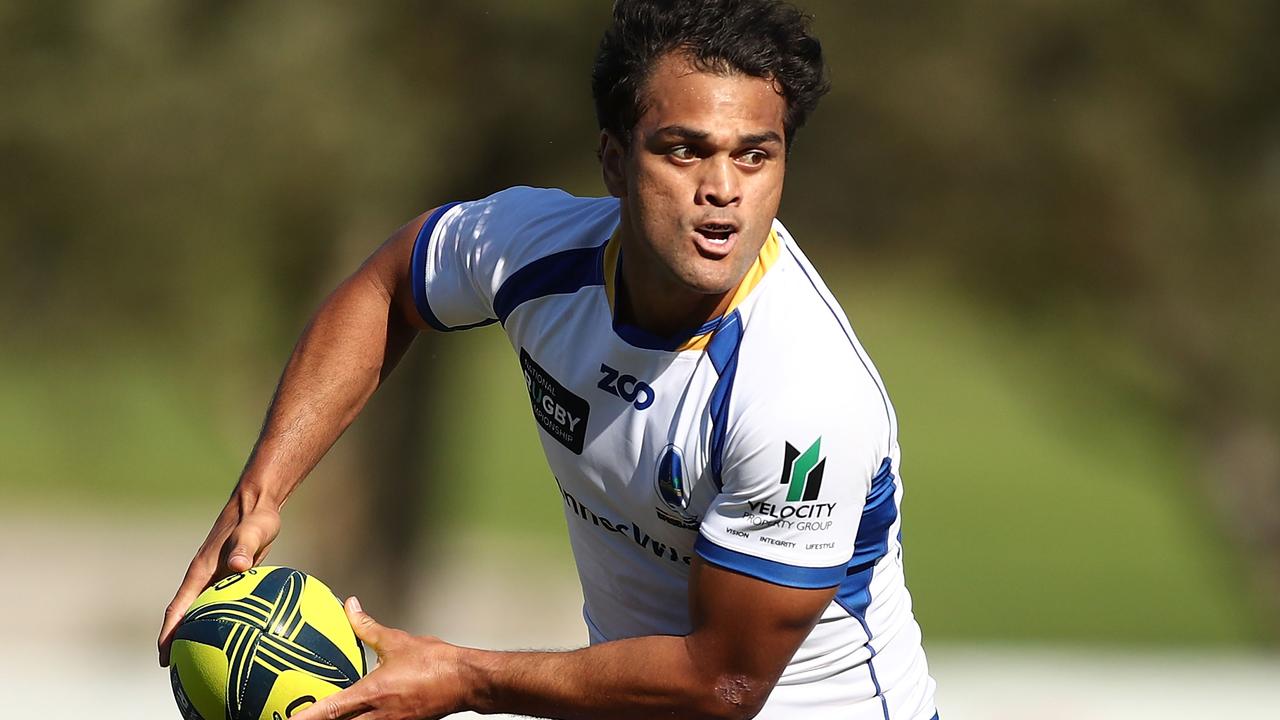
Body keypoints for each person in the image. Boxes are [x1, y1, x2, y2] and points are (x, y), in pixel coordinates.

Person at [158, 1, 940, 718]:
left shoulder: (799, 396)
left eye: (754, 156)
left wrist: (467, 675)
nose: (723, 189)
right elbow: (390, 285)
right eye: (684, 150)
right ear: (613, 159)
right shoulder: (535, 251)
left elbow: (722, 681)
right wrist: (255, 497)